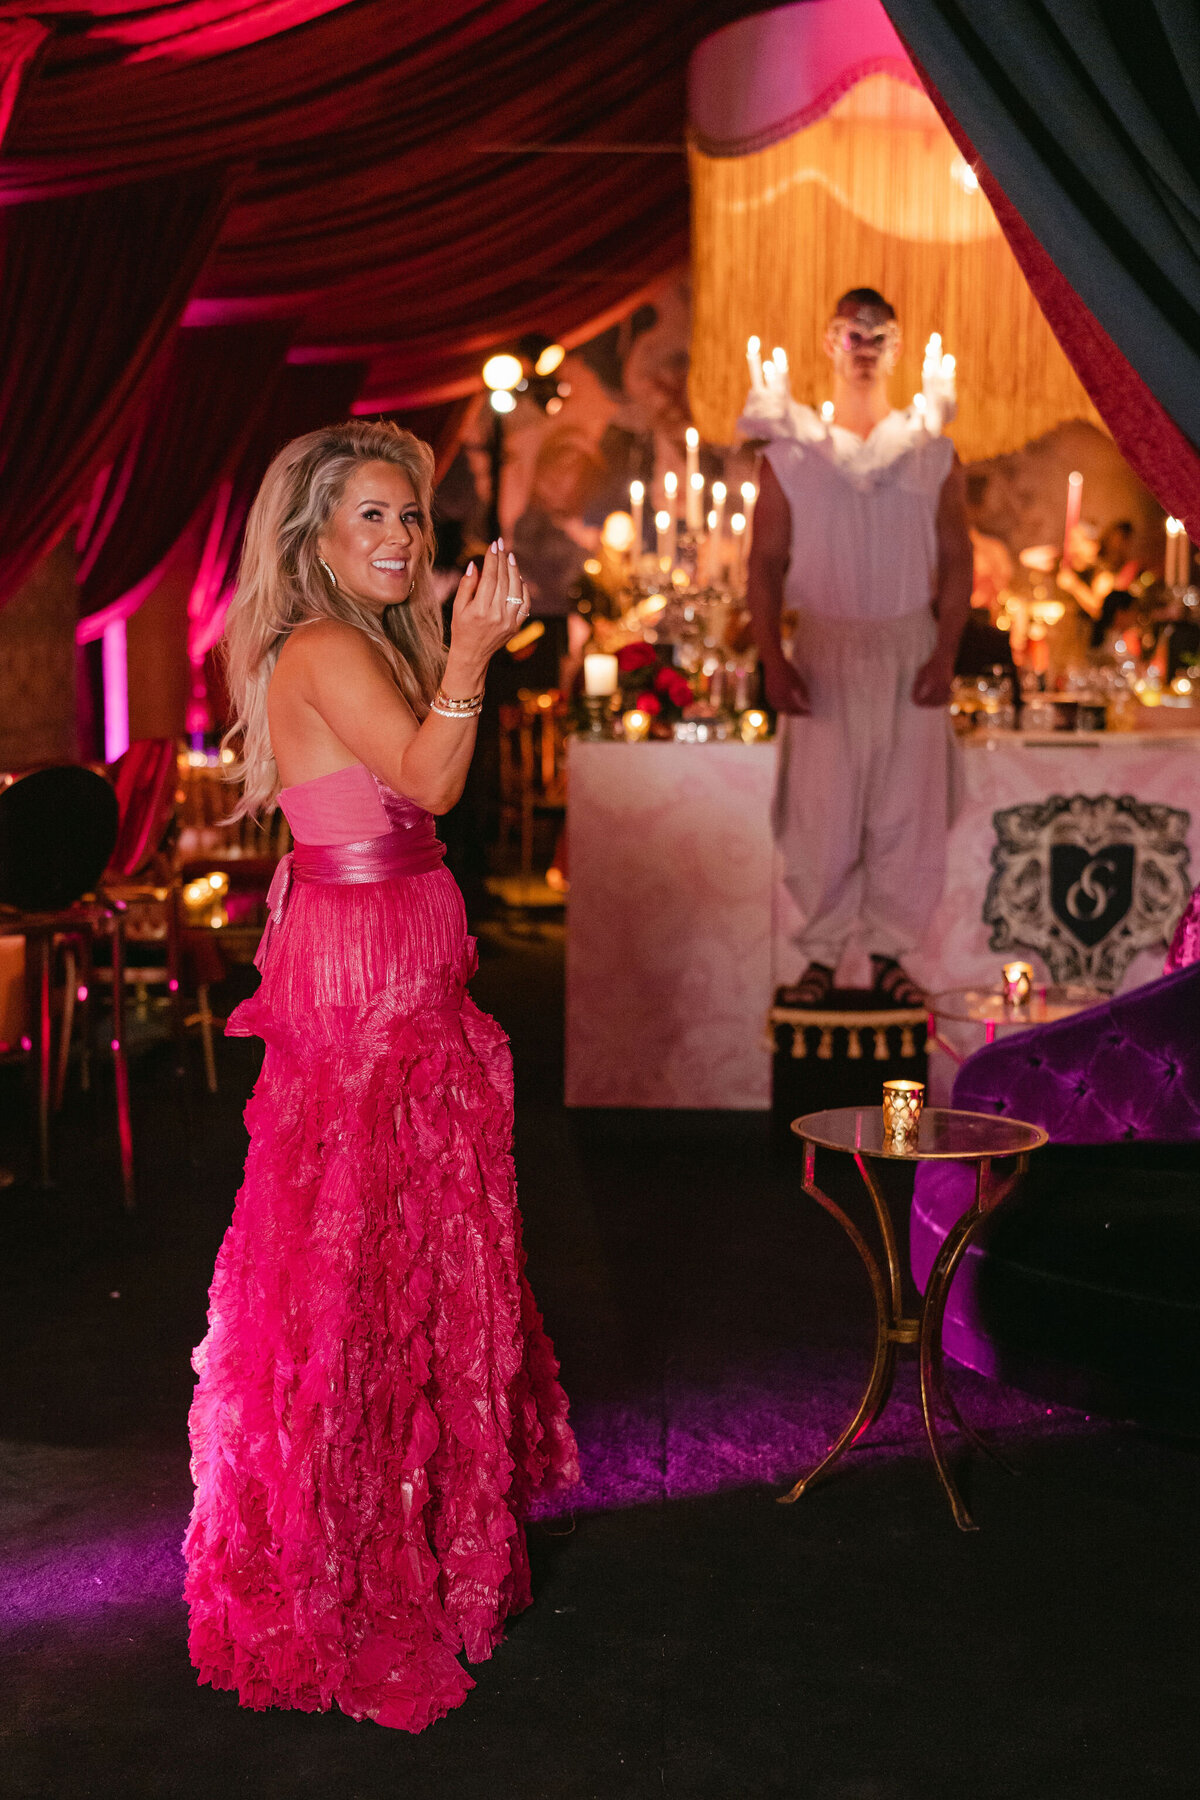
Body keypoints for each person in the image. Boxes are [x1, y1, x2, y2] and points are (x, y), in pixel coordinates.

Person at [183, 421, 578, 1733]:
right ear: (315, 537)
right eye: (371, 518)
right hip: (366, 979)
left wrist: (457, 654)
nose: (402, 539)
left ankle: (403, 1531)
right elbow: (429, 780)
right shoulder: (325, 643)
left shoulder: (363, 638)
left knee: (406, 1247)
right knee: (367, 1261)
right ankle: (349, 1564)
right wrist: (470, 657)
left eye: (411, 517)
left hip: (383, 955)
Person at [743, 288, 972, 1006]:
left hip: (910, 646)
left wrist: (944, 654)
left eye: (879, 334)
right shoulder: (791, 455)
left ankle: (887, 955)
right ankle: (819, 952)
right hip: (826, 650)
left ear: (899, 347)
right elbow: (763, 563)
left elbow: (959, 557)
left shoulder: (932, 453)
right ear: (828, 341)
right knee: (823, 809)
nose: (865, 344)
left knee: (907, 809)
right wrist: (774, 661)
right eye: (852, 332)